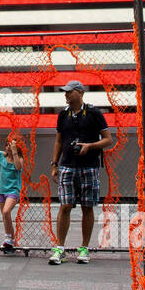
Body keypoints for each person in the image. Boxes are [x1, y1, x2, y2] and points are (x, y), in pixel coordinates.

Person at [48, 80, 113, 265]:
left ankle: (84, 249)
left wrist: (90, 146)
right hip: (67, 166)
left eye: (69, 92)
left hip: (89, 166)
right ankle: (59, 249)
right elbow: (59, 140)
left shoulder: (94, 113)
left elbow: (108, 140)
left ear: (80, 92)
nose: (66, 95)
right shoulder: (63, 114)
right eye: (65, 92)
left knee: (87, 207)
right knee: (65, 206)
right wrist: (55, 164)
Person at [0, 136, 25, 253]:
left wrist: (14, 150)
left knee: (6, 211)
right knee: (5, 217)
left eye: (11, 144)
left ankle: (9, 239)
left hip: (13, 191)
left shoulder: (19, 158)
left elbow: (18, 167)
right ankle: (10, 241)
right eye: (7, 144)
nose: (8, 146)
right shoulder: (2, 156)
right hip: (2, 191)